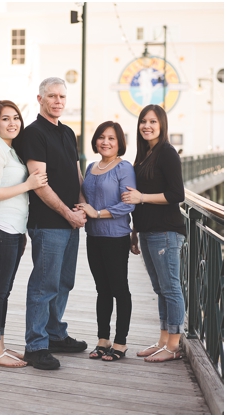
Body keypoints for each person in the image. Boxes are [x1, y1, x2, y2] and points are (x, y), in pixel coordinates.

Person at [12, 77, 88, 371]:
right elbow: (39, 185)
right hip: (49, 223)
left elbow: (77, 174)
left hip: (71, 221)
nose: (58, 101)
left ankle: (55, 334)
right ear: (40, 99)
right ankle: (36, 346)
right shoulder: (33, 133)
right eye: (52, 96)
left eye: (62, 97)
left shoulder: (68, 133)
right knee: (44, 285)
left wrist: (81, 207)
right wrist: (67, 214)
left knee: (63, 282)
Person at [0, 100, 47, 368]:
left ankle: (0, 346)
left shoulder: (11, 150)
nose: (12, 123)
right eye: (5, 118)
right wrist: (28, 184)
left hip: (12, 229)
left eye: (16, 117)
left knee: (2, 291)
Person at [120, 104, 186, 363]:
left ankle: (174, 344)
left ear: (162, 125)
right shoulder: (146, 154)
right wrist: (135, 231)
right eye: (143, 121)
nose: (147, 126)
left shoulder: (167, 153)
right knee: (160, 289)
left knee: (170, 288)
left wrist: (142, 197)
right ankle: (162, 340)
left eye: (153, 122)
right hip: (147, 231)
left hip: (166, 232)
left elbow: (176, 194)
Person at [75, 122, 136, 362]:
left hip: (116, 236)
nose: (105, 142)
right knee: (102, 289)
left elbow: (128, 204)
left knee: (119, 289)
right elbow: (85, 198)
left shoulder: (124, 168)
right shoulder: (91, 167)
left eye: (111, 138)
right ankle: (103, 339)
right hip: (94, 237)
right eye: (101, 137)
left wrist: (97, 213)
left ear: (119, 142)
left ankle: (120, 342)